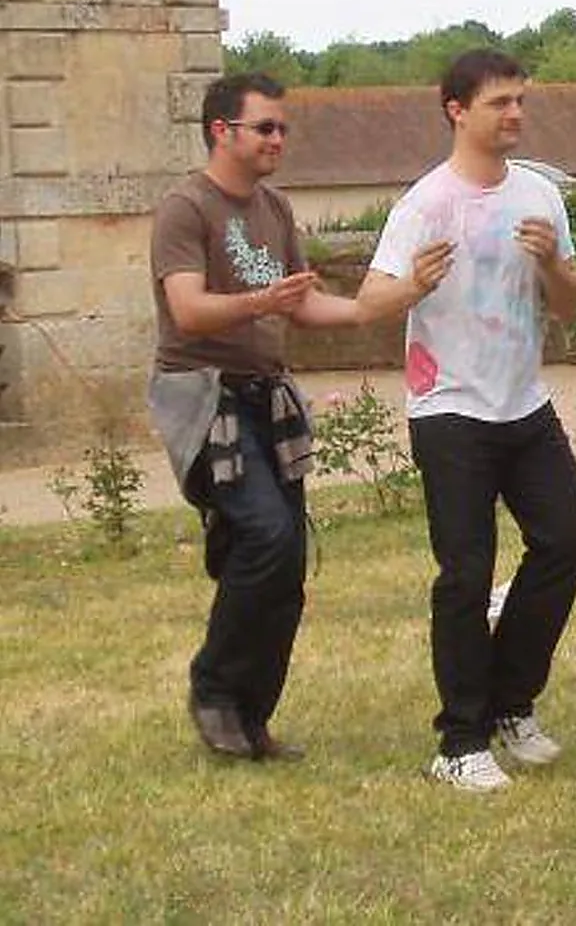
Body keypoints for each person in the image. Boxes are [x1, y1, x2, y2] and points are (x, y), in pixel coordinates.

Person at [149, 72, 450, 762]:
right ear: (222, 131)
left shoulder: (275, 209)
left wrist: (403, 294)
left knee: (284, 559)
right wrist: (262, 302)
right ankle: (213, 690)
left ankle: (251, 718)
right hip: (203, 394)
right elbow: (189, 311)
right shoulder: (185, 208)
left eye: (283, 128)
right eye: (265, 128)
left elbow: (307, 308)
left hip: (264, 395)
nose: (279, 138)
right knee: (267, 535)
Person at [359, 49, 576, 793]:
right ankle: (459, 742)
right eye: (499, 103)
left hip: (522, 403)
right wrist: (413, 285)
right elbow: (371, 302)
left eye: (520, 101)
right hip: (450, 411)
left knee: (568, 545)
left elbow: (569, 305)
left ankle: (509, 705)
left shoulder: (539, 196)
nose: (515, 115)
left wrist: (556, 262)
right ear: (456, 109)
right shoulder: (425, 203)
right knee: (466, 575)